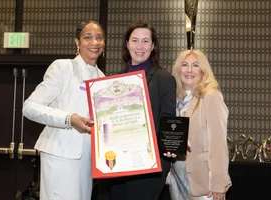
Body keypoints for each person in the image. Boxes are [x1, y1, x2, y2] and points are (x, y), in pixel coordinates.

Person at [22, 20, 106, 200]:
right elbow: (29, 107)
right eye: (88, 37)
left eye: (99, 38)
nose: (95, 42)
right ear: (77, 42)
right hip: (59, 154)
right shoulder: (63, 67)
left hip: (88, 158)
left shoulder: (103, 79)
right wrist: (69, 119)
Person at [97, 19, 176, 200]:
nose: (140, 46)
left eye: (145, 41)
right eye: (135, 40)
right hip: (117, 165)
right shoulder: (114, 81)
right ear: (127, 43)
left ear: (153, 45)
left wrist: (172, 144)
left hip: (148, 166)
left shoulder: (164, 79)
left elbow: (167, 120)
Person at [166, 50, 232, 200]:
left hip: (203, 183)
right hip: (177, 179)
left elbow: (218, 143)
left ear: (203, 70)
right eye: (184, 65)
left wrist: (218, 184)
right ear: (178, 70)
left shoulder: (211, 96)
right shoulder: (175, 99)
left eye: (195, 65)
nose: (189, 70)